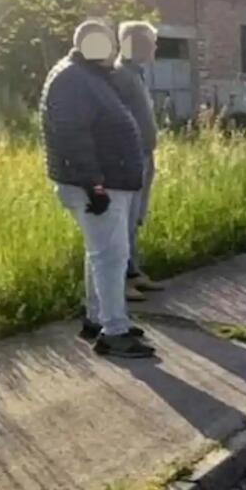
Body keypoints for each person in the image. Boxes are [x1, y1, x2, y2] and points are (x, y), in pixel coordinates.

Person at [42, 20, 153, 358]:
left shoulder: (86, 77)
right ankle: (114, 331)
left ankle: (97, 319)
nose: (114, 53)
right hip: (96, 184)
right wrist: (95, 186)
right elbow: (72, 136)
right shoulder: (74, 80)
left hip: (103, 182)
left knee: (100, 256)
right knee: (111, 258)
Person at [109, 21, 163, 301]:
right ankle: (121, 281)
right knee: (125, 221)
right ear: (136, 44)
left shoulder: (136, 74)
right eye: (151, 43)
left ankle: (133, 272)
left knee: (136, 218)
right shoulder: (120, 76)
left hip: (143, 155)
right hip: (129, 158)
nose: (155, 48)